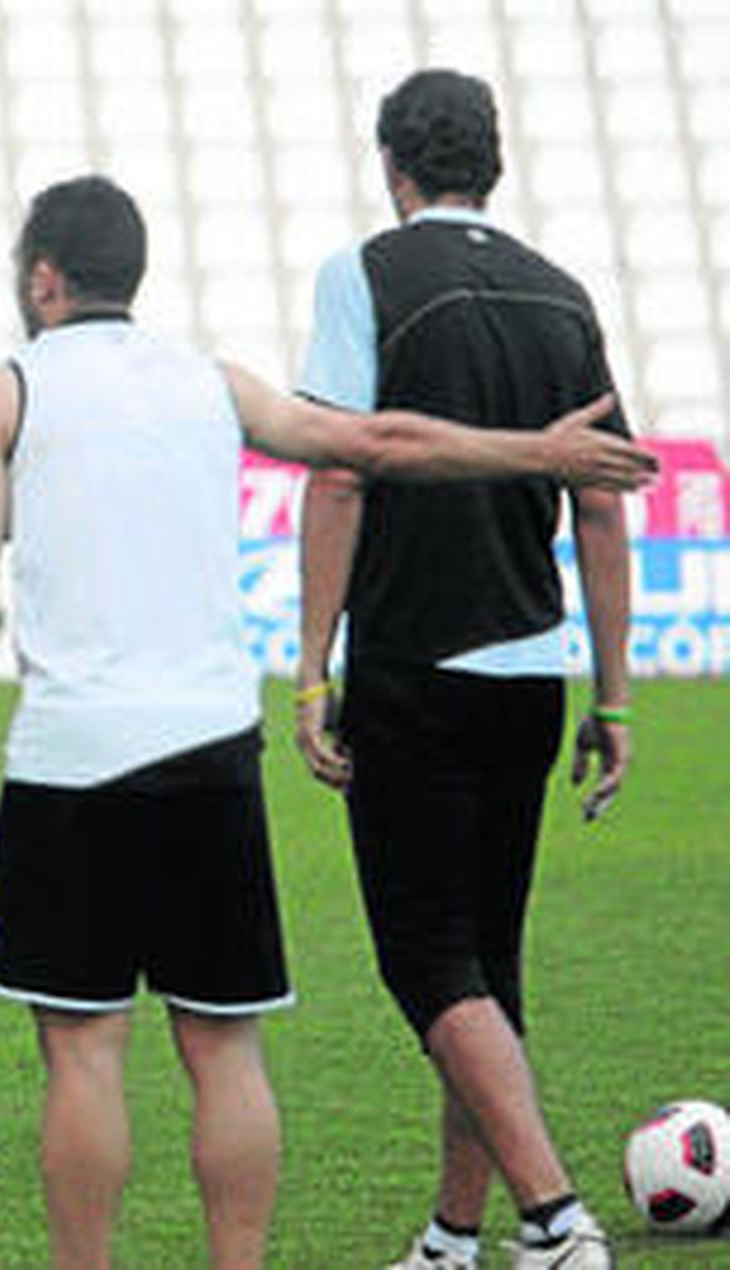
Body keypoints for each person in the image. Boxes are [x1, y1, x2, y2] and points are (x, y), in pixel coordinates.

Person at [0, 175, 653, 1270]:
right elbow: (376, 440)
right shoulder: (211, 382)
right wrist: (535, 454)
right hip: (211, 754)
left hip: (75, 756)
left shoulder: (8, 391)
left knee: (86, 1054)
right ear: (129, 276)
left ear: (41, 280)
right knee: (223, 1046)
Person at [293, 70, 632, 1270]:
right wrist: (613, 694)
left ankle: (552, 1221)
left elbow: (336, 470)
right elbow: (602, 502)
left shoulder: (366, 275)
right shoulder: (561, 294)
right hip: (528, 672)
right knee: (485, 967)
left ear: (392, 163)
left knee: (425, 960)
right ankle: (452, 1237)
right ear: (492, 161)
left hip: (414, 663)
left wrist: (308, 672)